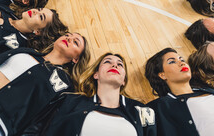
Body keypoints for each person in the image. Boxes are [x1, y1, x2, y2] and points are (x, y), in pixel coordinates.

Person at [25, 53, 156, 135]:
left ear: (124, 80)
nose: (114, 65)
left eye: (119, 64)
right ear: (96, 74)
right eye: (107, 62)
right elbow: (34, 130)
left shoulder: (142, 112)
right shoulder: (68, 100)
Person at [145, 47, 214, 136]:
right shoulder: (159, 107)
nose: (181, 63)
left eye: (182, 59)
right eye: (172, 62)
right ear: (162, 74)